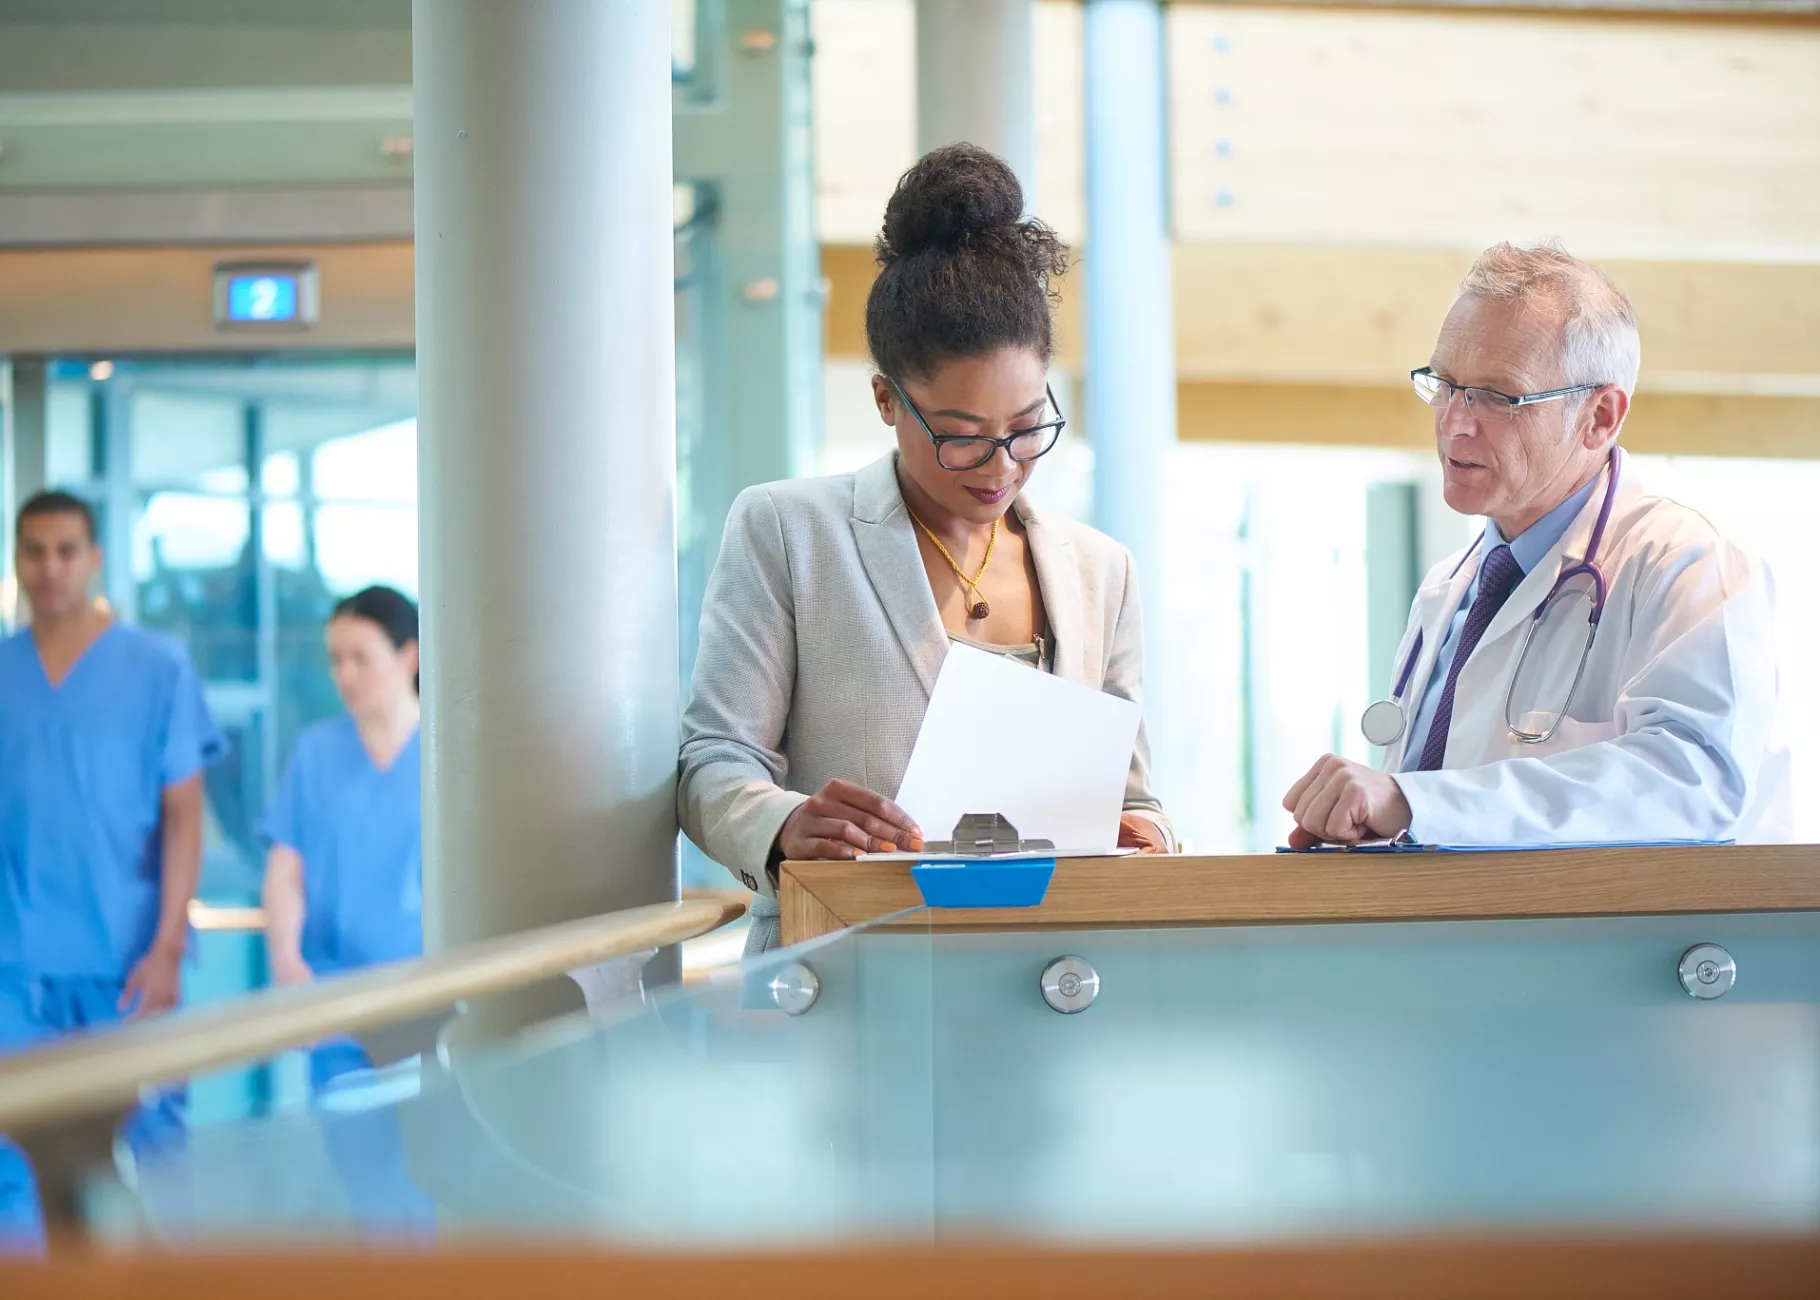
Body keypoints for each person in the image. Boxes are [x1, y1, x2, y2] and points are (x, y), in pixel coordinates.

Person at [680, 143, 1174, 952]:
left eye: (1026, 429)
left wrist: (1143, 837)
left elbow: (1135, 797)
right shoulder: (790, 532)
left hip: (1050, 975)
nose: (1002, 466)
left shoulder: (1099, 571)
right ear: (885, 399)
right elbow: (714, 760)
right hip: (846, 966)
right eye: (961, 438)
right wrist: (785, 824)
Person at [1283, 243, 1786, 848]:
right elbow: (1434, 817)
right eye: (1445, 384)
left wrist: (1415, 801)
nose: (1455, 423)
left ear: (1600, 417)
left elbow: (1695, 781)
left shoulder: (1689, 565)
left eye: (1498, 396)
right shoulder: (1450, 589)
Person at [0, 490, 225, 1247]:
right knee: (16, 1165)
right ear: (17, 560)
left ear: (95, 559)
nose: (50, 567)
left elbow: (184, 814)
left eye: (67, 550)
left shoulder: (156, 666)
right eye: (34, 550)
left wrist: (166, 947)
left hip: (129, 964)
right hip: (17, 969)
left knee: (149, 1162)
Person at [259, 585, 431, 1230]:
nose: (344, 675)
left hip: (433, 1005)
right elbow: (286, 871)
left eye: (360, 657)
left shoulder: (450, 754)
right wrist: (287, 965)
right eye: (335, 659)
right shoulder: (316, 754)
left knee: (432, 1182)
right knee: (369, 1191)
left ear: (408, 655)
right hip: (335, 1006)